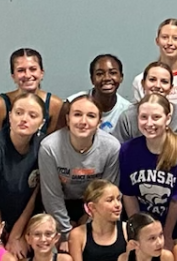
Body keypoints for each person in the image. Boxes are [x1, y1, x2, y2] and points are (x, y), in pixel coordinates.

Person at [0, 92, 45, 254]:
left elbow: (35, 195)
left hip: (25, 221)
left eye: (32, 115)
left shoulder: (44, 148)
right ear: (10, 116)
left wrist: (17, 235)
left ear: (41, 123)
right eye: (18, 113)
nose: (24, 119)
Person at [37, 93, 121, 234]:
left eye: (91, 116)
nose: (83, 121)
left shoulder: (111, 147)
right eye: (77, 114)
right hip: (61, 204)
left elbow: (107, 193)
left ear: (99, 122)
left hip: (96, 206)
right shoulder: (49, 147)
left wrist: (88, 222)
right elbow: (52, 197)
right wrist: (66, 232)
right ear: (67, 119)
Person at [120, 95, 177, 242]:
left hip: (175, 227)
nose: (149, 123)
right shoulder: (127, 150)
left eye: (156, 117)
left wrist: (166, 235)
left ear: (168, 119)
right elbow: (128, 194)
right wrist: (137, 232)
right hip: (142, 221)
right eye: (144, 117)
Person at [0, 47, 64, 135]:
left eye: (33, 69)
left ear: (41, 73)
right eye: (21, 70)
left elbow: (53, 143)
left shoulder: (55, 105)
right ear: (13, 76)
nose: (28, 75)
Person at [129, 18, 177, 104]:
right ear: (157, 41)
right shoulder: (140, 80)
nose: (169, 42)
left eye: (175, 38)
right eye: (165, 37)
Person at [114, 61, 177, 141]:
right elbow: (120, 151)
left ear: (171, 87)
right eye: (152, 80)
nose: (157, 85)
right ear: (143, 83)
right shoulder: (127, 118)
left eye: (164, 81)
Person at [83, 54, 131, 133]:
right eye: (99, 74)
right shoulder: (74, 105)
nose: (106, 78)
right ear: (92, 79)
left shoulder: (127, 111)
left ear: (121, 77)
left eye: (113, 73)